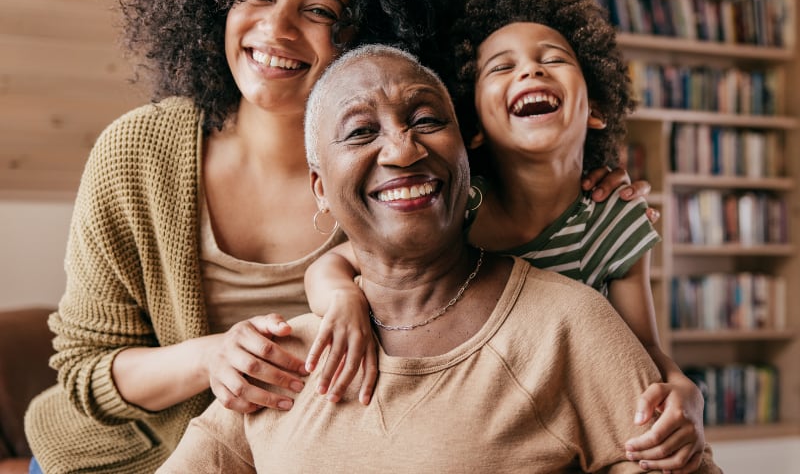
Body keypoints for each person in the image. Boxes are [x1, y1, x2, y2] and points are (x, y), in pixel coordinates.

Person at [23, 0, 646, 473]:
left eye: (319, 9)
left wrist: (604, 192)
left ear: (365, 30)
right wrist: (213, 357)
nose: (277, 28)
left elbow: (545, 225)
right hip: (117, 457)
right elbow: (84, 372)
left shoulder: (411, 174)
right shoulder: (139, 152)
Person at [157, 44, 720, 473]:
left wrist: (682, 391)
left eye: (428, 120)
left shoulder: (566, 325)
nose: (403, 149)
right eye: (360, 131)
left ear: (467, 155)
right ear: (320, 189)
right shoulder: (275, 364)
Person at [304, 0, 704, 473]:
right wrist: (342, 299)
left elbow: (642, 348)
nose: (532, 71)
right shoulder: (456, 208)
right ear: (470, 128)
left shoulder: (616, 220)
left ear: (595, 106)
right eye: (502, 67)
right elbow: (335, 265)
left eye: (553, 59)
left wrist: (686, 392)